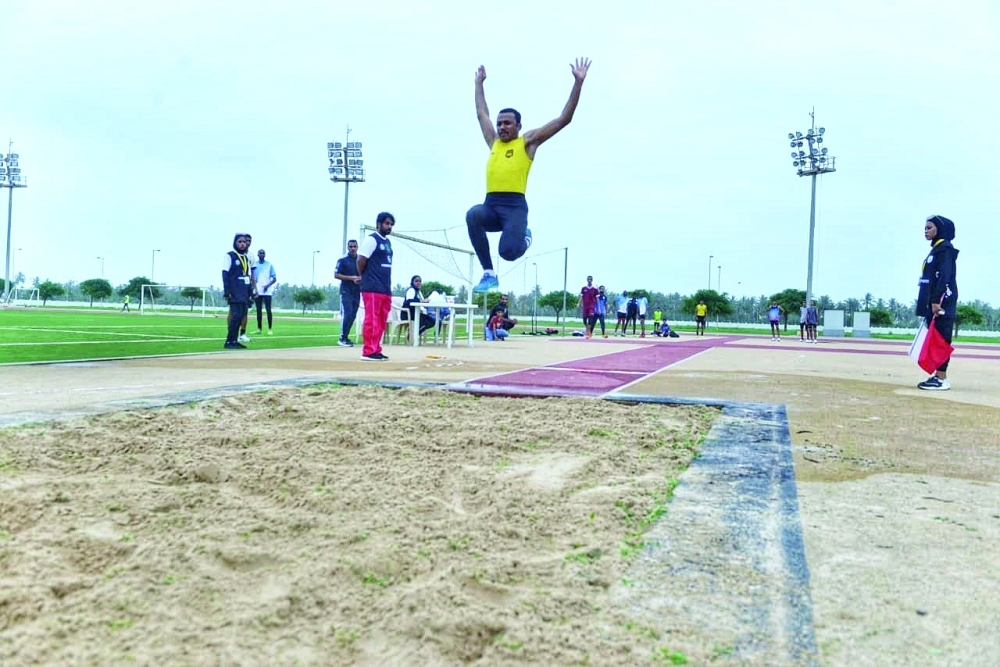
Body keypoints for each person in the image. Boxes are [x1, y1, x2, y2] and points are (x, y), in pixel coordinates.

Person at [467, 57, 592, 293]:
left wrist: (578, 83)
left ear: (518, 127)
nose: (502, 127)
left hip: (514, 208)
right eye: (500, 123)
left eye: (507, 123)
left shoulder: (528, 143)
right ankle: (489, 273)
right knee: (473, 215)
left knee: (508, 252)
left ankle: (524, 237)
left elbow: (563, 119)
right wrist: (479, 85)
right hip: (491, 205)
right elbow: (481, 113)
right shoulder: (493, 142)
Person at [916, 215, 959, 391]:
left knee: (941, 338)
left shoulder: (945, 249)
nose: (925, 231)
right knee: (934, 338)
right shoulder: (936, 249)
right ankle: (937, 376)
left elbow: (944, 276)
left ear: (940, 229)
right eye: (925, 228)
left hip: (942, 302)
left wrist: (936, 301)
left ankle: (942, 379)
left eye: (929, 227)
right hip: (932, 301)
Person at [356, 212, 395, 361]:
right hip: (372, 287)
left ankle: (376, 348)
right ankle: (368, 351)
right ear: (378, 224)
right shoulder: (371, 240)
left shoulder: (388, 242)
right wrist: (364, 276)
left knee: (381, 320)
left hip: (385, 287)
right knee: (371, 318)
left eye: (391, 224)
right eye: (386, 223)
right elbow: (361, 260)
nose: (389, 226)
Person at [222, 233, 253, 350]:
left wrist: (250, 292)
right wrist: (227, 291)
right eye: (240, 242)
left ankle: (235, 340)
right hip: (234, 291)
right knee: (235, 316)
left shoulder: (246, 258)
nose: (242, 244)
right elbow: (225, 273)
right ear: (235, 243)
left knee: (241, 316)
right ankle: (229, 341)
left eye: (244, 242)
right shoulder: (230, 256)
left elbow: (247, 276)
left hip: (244, 291)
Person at [335, 240, 362, 347]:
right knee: (347, 313)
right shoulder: (342, 260)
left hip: (356, 291)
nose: (353, 248)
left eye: (355, 246)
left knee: (353, 315)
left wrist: (361, 279)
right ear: (348, 247)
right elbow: (336, 274)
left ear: (357, 247)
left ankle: (346, 337)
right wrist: (351, 278)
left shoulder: (360, 260)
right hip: (346, 290)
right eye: (351, 246)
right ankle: (342, 337)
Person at [252, 248, 277, 336]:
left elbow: (274, 279)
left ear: (265, 255)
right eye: (260, 253)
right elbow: (252, 278)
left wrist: (267, 285)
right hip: (258, 291)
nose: (262, 254)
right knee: (258, 310)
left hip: (267, 292)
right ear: (258, 255)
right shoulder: (254, 265)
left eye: (263, 253)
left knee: (268, 310)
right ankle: (259, 329)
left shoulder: (269, 265)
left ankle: (270, 329)